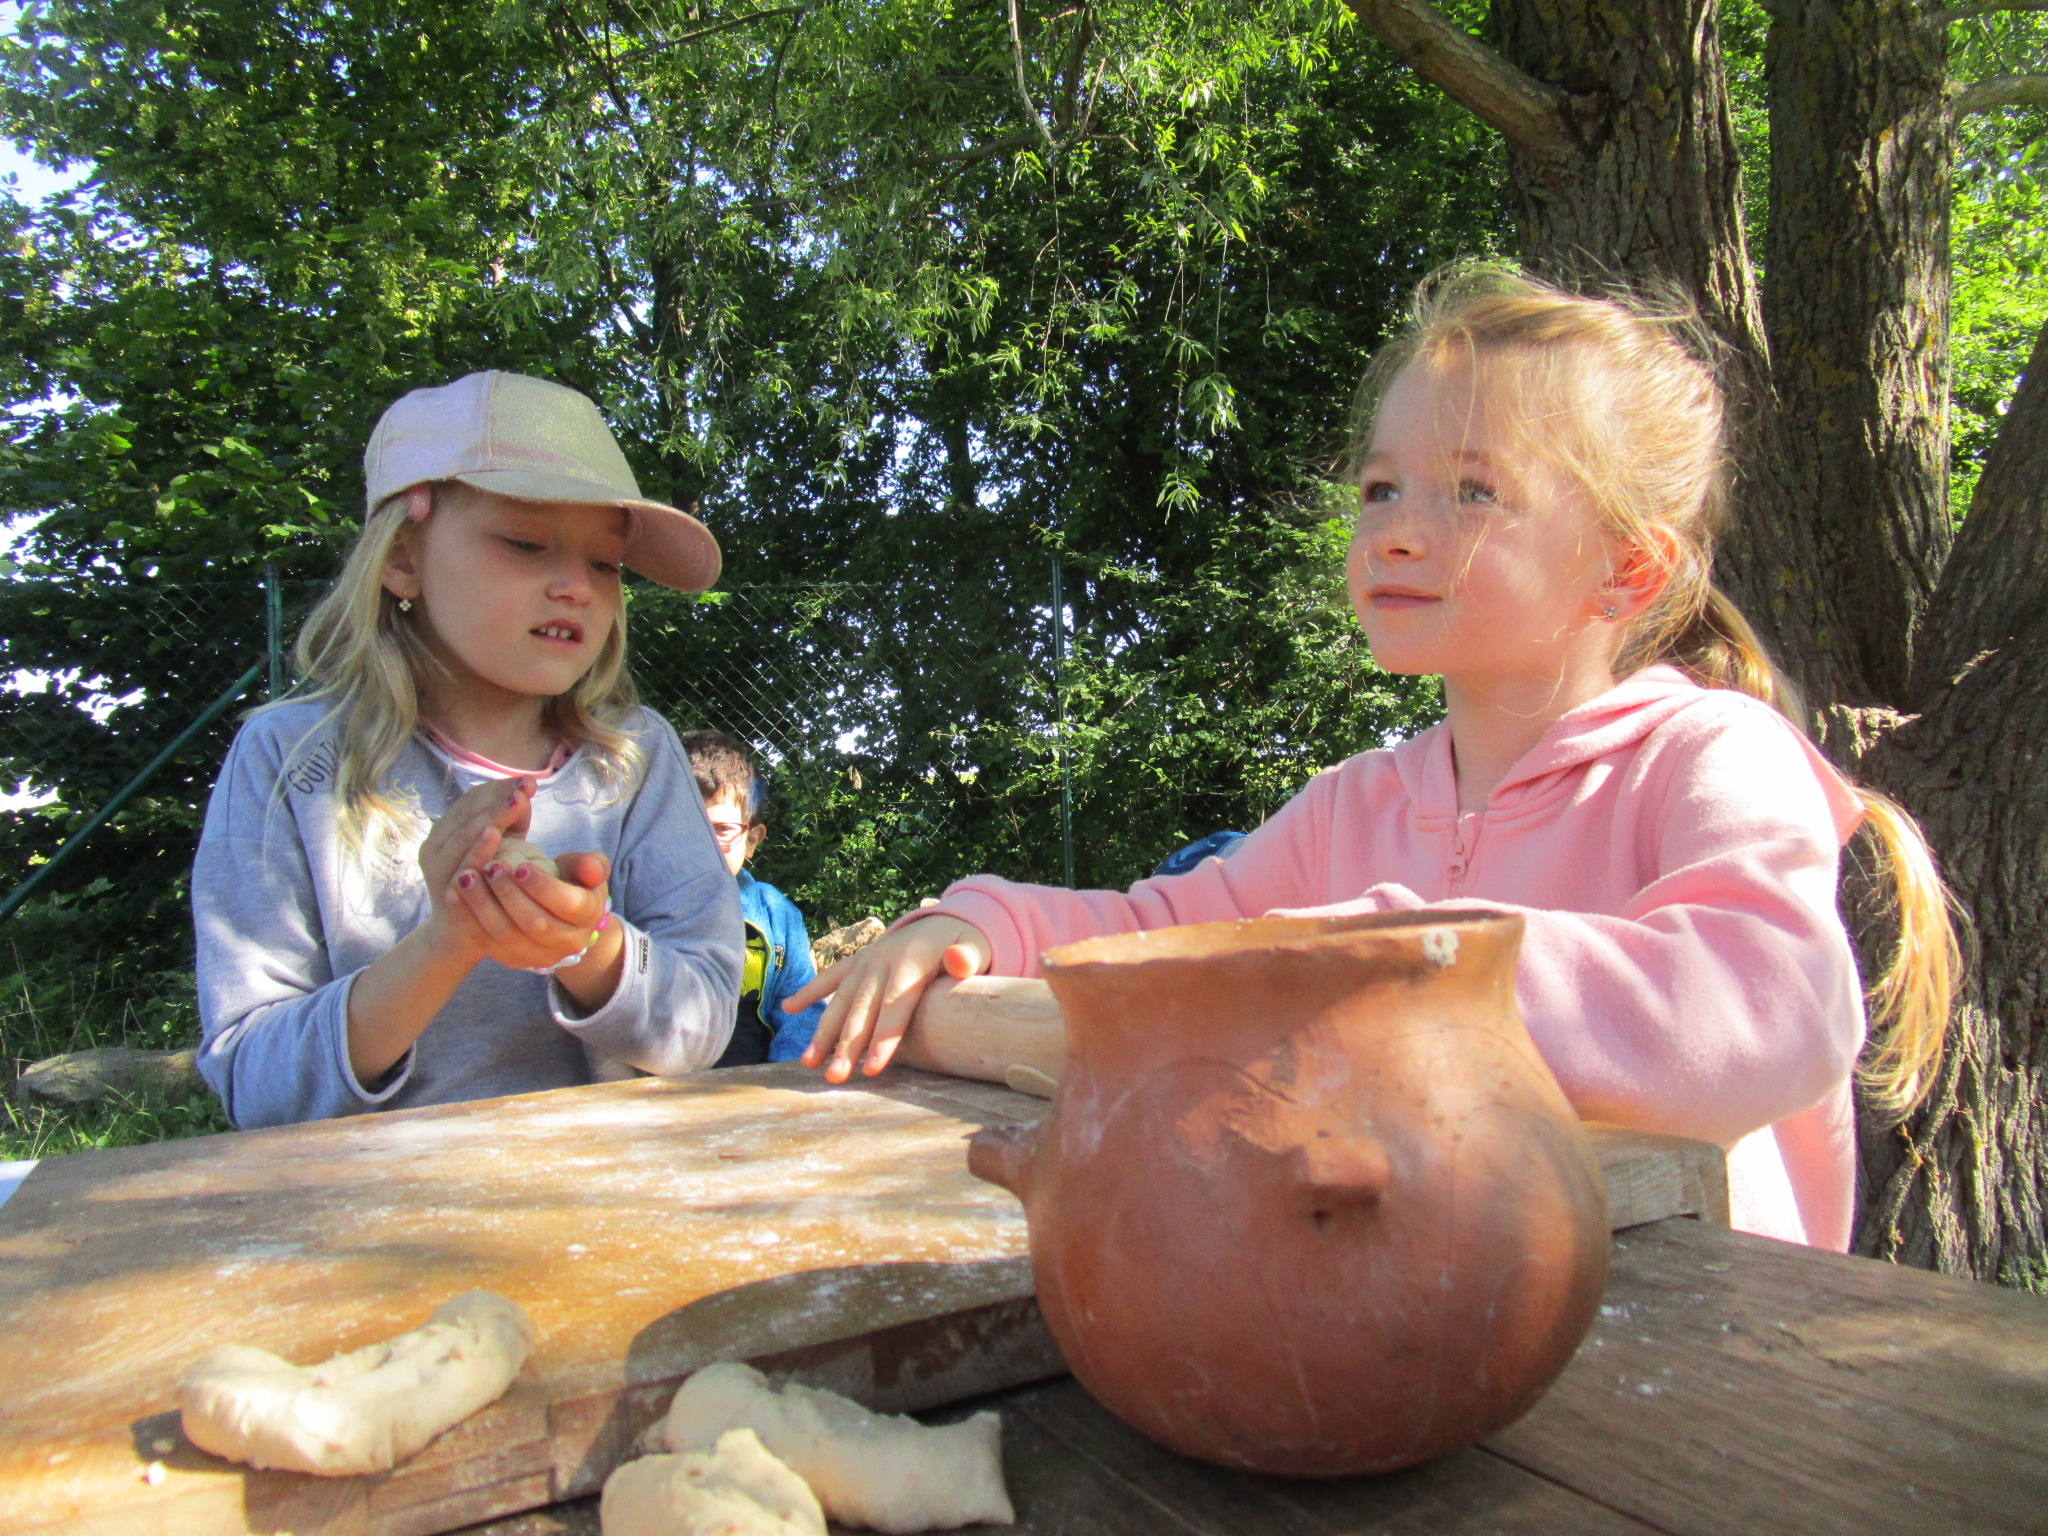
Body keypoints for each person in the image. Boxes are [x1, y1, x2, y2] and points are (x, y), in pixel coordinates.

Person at [784, 266, 1958, 1254]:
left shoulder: (1709, 758)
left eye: (1472, 491)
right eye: (1381, 486)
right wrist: (980, 923)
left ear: (1625, 570)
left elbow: (1770, 1008)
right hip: (1416, 1317)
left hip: (1691, 1342)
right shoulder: (1355, 805)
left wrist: (1399, 966)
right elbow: (1161, 927)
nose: (1393, 528)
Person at [192, 371, 744, 1128]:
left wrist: (582, 943)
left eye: (605, 563)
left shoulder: (636, 758)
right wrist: (447, 943)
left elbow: (703, 1027)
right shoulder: (292, 761)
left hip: (608, 1179)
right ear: (402, 558)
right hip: (366, 1193)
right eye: (526, 543)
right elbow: (257, 1083)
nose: (577, 587)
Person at [680, 728, 827, 1066]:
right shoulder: (642, 907)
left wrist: (786, 1073)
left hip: (753, 1082)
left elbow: (800, 1009)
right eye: (688, 826)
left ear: (752, 841)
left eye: (721, 830)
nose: (703, 843)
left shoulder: (777, 916)